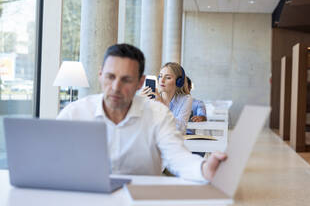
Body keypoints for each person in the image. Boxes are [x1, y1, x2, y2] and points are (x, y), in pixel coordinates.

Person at [57, 43, 226, 182]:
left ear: (140, 82)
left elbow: (178, 157)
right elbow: (53, 159)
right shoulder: (74, 114)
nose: (116, 87)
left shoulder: (158, 114)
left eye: (126, 80)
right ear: (100, 75)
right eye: (110, 77)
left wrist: (204, 169)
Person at [142, 62, 192, 134]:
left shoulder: (185, 99)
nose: (162, 81)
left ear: (178, 82)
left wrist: (161, 106)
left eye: (168, 77)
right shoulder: (151, 97)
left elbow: (181, 129)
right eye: (160, 76)